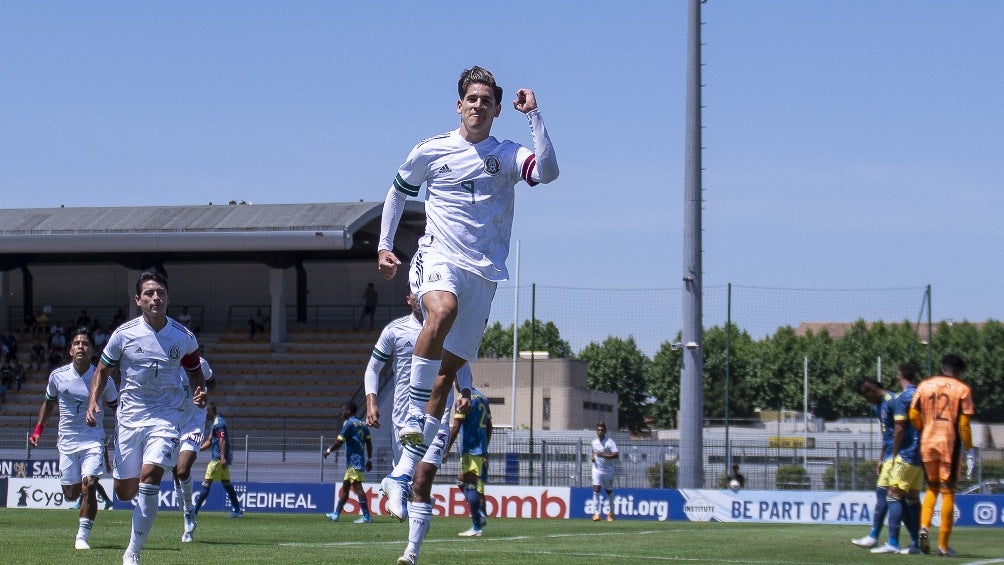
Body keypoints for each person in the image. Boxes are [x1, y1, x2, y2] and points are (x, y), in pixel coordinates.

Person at [376, 65, 558, 565]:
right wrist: (385, 246)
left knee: (447, 380)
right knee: (441, 310)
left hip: (485, 275)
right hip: (437, 258)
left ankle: (398, 474)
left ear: (497, 108)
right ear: (458, 105)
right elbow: (397, 190)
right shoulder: (431, 149)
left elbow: (547, 171)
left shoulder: (505, 154)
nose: (477, 105)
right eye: (470, 99)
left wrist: (535, 116)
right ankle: (412, 421)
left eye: (486, 100)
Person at [85, 271, 207, 565]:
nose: (156, 298)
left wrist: (199, 390)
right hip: (129, 418)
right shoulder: (123, 335)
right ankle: (133, 500)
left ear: (168, 297)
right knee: (125, 493)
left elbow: (194, 370)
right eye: (150, 293)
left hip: (166, 417)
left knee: (151, 475)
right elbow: (102, 370)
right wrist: (93, 401)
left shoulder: (183, 336)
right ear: (138, 300)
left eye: (161, 293)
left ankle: (133, 552)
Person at [29, 327, 119, 549]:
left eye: (85, 344)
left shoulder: (103, 378)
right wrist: (38, 430)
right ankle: (77, 495)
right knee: (71, 493)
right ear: (70, 350)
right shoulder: (58, 377)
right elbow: (48, 403)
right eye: (77, 343)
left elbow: (117, 407)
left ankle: (82, 536)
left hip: (93, 439)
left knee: (90, 483)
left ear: (92, 351)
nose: (81, 347)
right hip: (67, 441)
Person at [909, 354, 976, 557]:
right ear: (959, 371)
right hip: (949, 443)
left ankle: (924, 526)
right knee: (948, 491)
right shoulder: (963, 390)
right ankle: (943, 546)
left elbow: (913, 414)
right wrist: (970, 448)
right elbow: (963, 424)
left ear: (942, 367)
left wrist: (924, 428)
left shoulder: (925, 385)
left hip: (927, 441)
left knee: (931, 487)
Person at [871, 362, 923, 555]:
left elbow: (899, 427)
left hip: (907, 453)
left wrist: (893, 454)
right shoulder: (921, 394)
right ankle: (918, 543)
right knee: (914, 500)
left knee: (893, 494)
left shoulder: (902, 398)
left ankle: (893, 542)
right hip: (921, 455)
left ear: (898, 375)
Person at [174, 353, 215, 542]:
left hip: (193, 423)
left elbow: (212, 382)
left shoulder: (201, 364)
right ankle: (186, 511)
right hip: (170, 422)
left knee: (183, 470)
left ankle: (189, 510)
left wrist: (206, 392)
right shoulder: (166, 363)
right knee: (175, 472)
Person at [851, 377, 895, 549]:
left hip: (899, 455)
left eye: (866, 396)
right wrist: (881, 457)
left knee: (888, 495)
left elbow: (900, 429)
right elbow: (886, 434)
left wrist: (896, 455)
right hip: (890, 455)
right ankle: (908, 541)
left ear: (871, 390)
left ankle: (881, 537)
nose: (867, 400)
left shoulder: (892, 401)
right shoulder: (878, 407)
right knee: (892, 496)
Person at [445, 387, 492, 537]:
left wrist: (446, 449)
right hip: (481, 449)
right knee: (463, 481)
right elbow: (490, 425)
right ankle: (480, 513)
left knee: (470, 485)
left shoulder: (464, 399)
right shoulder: (483, 397)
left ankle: (477, 525)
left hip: (470, 448)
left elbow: (457, 425)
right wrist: (486, 446)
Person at [322, 401, 373, 523]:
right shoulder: (362, 424)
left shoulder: (349, 424)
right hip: (356, 460)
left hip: (354, 462)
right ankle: (336, 513)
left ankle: (367, 516)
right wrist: (369, 459)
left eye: (344, 409)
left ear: (349, 410)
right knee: (345, 488)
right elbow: (369, 442)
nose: (342, 412)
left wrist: (329, 450)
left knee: (357, 488)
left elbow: (340, 441)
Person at [192, 402, 244, 519]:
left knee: (206, 484)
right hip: (219, 459)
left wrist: (222, 457)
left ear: (211, 411)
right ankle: (237, 511)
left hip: (217, 460)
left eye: (206, 411)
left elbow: (222, 440)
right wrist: (198, 449)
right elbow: (210, 441)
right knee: (227, 485)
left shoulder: (218, 423)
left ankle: (194, 512)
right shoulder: (214, 423)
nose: (205, 414)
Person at [590, 422, 619, 522]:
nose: (600, 432)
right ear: (596, 431)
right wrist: (593, 457)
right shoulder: (594, 442)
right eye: (598, 430)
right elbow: (593, 450)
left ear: (605, 431)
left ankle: (611, 513)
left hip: (608, 470)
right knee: (596, 489)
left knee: (609, 491)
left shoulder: (610, 442)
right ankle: (596, 514)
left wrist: (603, 455)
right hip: (596, 469)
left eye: (602, 430)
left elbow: (616, 455)